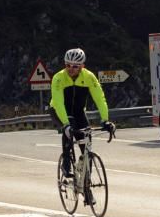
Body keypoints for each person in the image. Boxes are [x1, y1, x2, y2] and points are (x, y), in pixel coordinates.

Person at [49, 47, 115, 181]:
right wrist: (66, 125)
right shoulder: (58, 78)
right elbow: (58, 102)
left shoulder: (89, 77)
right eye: (68, 65)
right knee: (69, 129)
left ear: (82, 66)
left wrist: (105, 120)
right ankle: (66, 162)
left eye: (75, 66)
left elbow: (99, 99)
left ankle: (87, 182)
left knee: (86, 143)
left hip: (78, 112)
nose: (70, 69)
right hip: (58, 110)